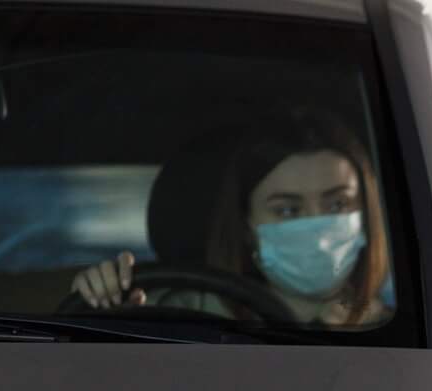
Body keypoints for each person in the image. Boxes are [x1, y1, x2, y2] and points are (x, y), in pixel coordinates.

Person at [70, 108, 393, 328]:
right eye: (288, 210)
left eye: (337, 205)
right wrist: (105, 312)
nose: (319, 230)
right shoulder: (179, 317)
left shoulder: (402, 330)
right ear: (246, 227)